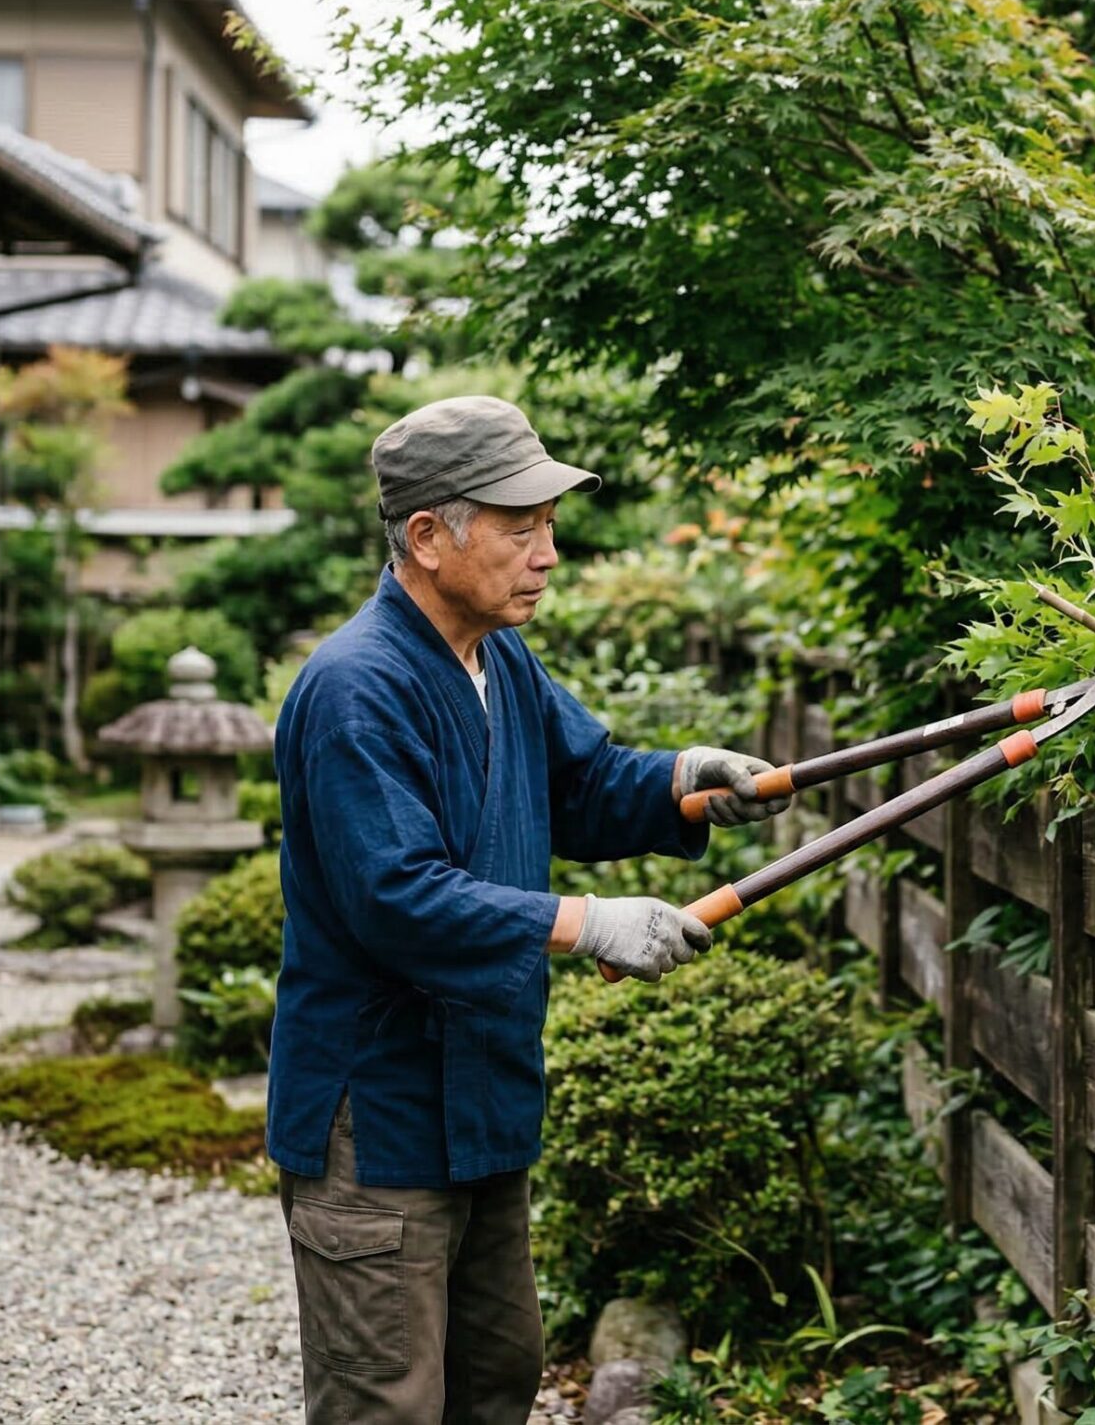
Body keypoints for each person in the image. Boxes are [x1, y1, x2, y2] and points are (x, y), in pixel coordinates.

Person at [265, 395, 791, 1423]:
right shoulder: (354, 688)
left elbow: (579, 782)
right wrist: (590, 921)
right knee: (386, 1401)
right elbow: (397, 895)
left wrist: (685, 778)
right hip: (377, 1111)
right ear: (428, 536)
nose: (548, 554)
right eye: (520, 529)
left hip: (485, 1099)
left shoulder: (496, 656)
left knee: (497, 1378)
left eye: (548, 524)